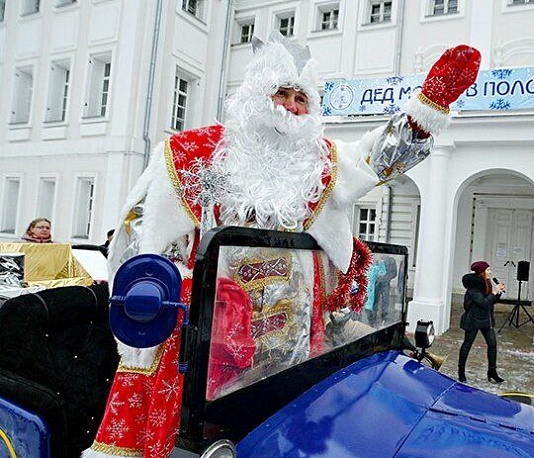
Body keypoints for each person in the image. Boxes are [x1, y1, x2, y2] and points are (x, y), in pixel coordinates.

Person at [87, 32, 480, 458]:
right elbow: (143, 246)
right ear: (257, 93)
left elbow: (375, 160)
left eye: (301, 98)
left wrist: (423, 113)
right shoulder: (191, 153)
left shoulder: (319, 160)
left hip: (290, 342)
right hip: (208, 338)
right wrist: (171, 298)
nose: (292, 107)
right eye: (282, 93)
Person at [458, 261, 506, 384]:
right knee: (467, 344)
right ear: (481, 272)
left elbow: (491, 301)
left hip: (486, 319)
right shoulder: (473, 287)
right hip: (473, 320)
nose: (490, 272)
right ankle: (461, 372)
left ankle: (492, 372)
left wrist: (498, 293)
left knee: (492, 344)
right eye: (488, 270)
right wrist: (494, 293)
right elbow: (483, 302)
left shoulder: (487, 283)